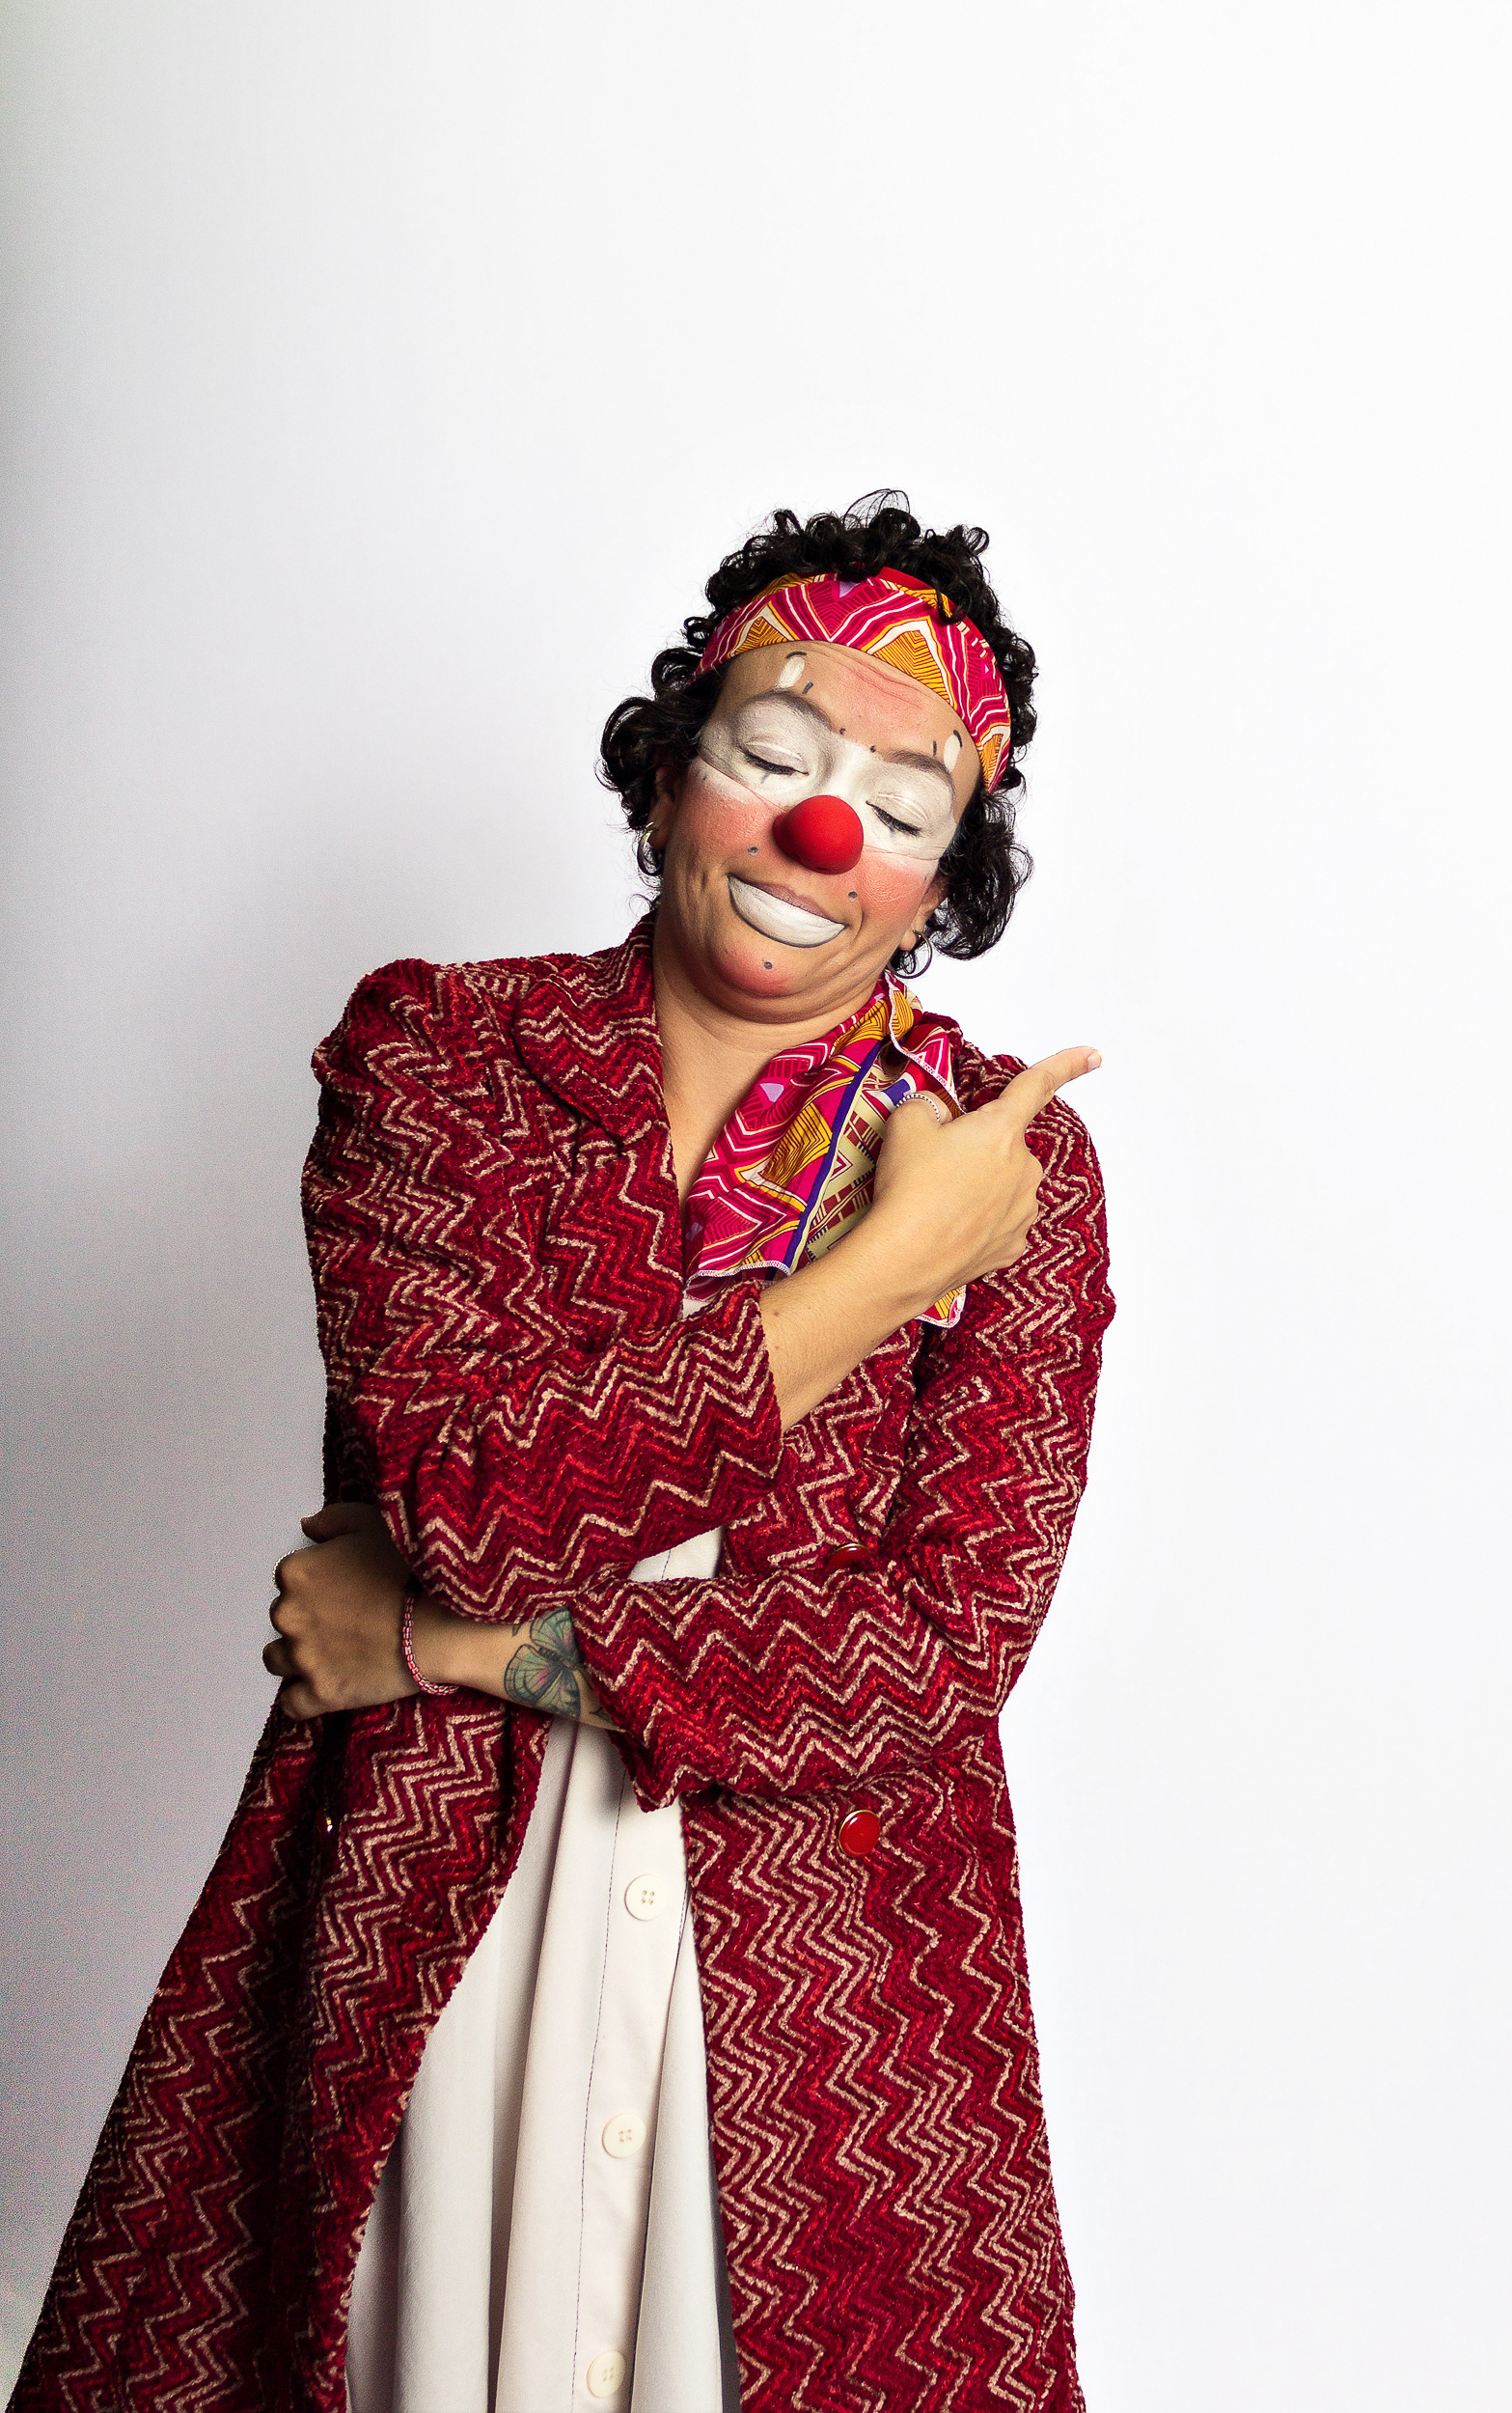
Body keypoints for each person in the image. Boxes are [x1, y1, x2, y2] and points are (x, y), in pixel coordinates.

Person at [12, 496, 1114, 2413]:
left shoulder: (1013, 1164)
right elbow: (465, 1504)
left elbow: (941, 1649)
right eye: (773, 755)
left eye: (897, 803)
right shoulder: (438, 1060)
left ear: (944, 869)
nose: (821, 833)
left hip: (824, 2024)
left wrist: (443, 1648)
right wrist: (878, 1275)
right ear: (671, 767)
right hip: (429, 1944)